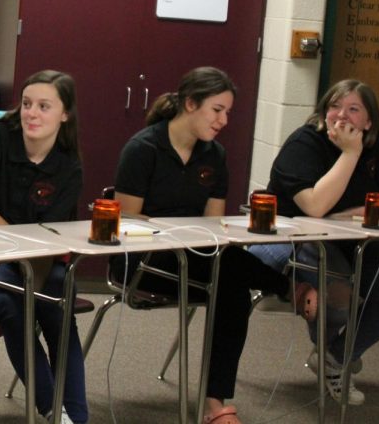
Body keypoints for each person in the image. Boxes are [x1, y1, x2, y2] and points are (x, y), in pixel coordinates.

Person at [111, 67, 315, 424]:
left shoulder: (214, 155)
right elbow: (127, 220)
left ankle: (215, 404)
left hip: (198, 260)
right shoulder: (143, 148)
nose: (224, 120)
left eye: (228, 112)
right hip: (144, 262)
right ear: (190, 103)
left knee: (230, 281)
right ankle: (287, 288)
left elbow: (213, 226)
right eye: (217, 110)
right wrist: (179, 231)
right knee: (230, 273)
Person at [249, 79, 379, 405]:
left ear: (368, 122)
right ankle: (335, 363)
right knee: (338, 294)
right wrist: (350, 153)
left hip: (348, 240)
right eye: (335, 107)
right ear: (323, 112)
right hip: (289, 239)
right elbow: (315, 207)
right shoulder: (305, 143)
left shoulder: (374, 145)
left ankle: (334, 358)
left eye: (353, 110)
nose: (342, 116)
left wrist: (347, 215)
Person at [0, 70, 88, 424]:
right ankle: (52, 410)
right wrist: (16, 240)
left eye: (44, 106)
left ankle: (77, 417)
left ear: (64, 114)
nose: (31, 113)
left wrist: (26, 246)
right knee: (8, 302)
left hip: (42, 259)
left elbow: (55, 233)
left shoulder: (68, 163)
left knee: (58, 313)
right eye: (27, 104)